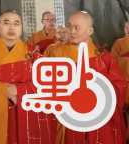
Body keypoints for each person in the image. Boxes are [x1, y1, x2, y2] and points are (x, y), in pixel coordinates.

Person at [0, 10, 53, 144]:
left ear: (21, 28)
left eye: (16, 23)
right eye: (6, 23)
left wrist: (18, 90)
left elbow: (46, 80)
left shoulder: (32, 51)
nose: (11, 28)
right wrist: (4, 90)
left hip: (27, 112)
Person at [51, 12, 127, 144]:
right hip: (68, 120)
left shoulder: (103, 58)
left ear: (90, 31)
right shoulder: (56, 53)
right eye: (69, 26)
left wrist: (100, 93)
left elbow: (119, 86)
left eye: (77, 28)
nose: (72, 31)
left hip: (99, 120)